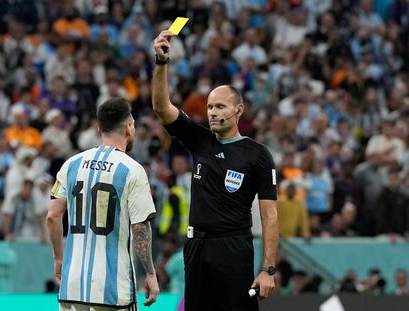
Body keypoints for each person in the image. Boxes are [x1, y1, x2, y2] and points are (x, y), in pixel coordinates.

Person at [152, 30, 279, 311]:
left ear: (239, 110)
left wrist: (268, 269)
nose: (212, 112)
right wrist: (161, 64)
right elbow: (161, 108)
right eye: (209, 106)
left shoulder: (257, 154)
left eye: (220, 106)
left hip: (233, 248)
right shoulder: (200, 141)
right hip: (196, 247)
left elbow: (269, 215)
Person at [46, 98, 159, 311]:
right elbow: (140, 227)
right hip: (113, 288)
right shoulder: (132, 170)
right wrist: (150, 273)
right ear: (128, 127)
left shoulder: (71, 165)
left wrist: (59, 259)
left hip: (72, 284)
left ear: (99, 130)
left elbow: (52, 216)